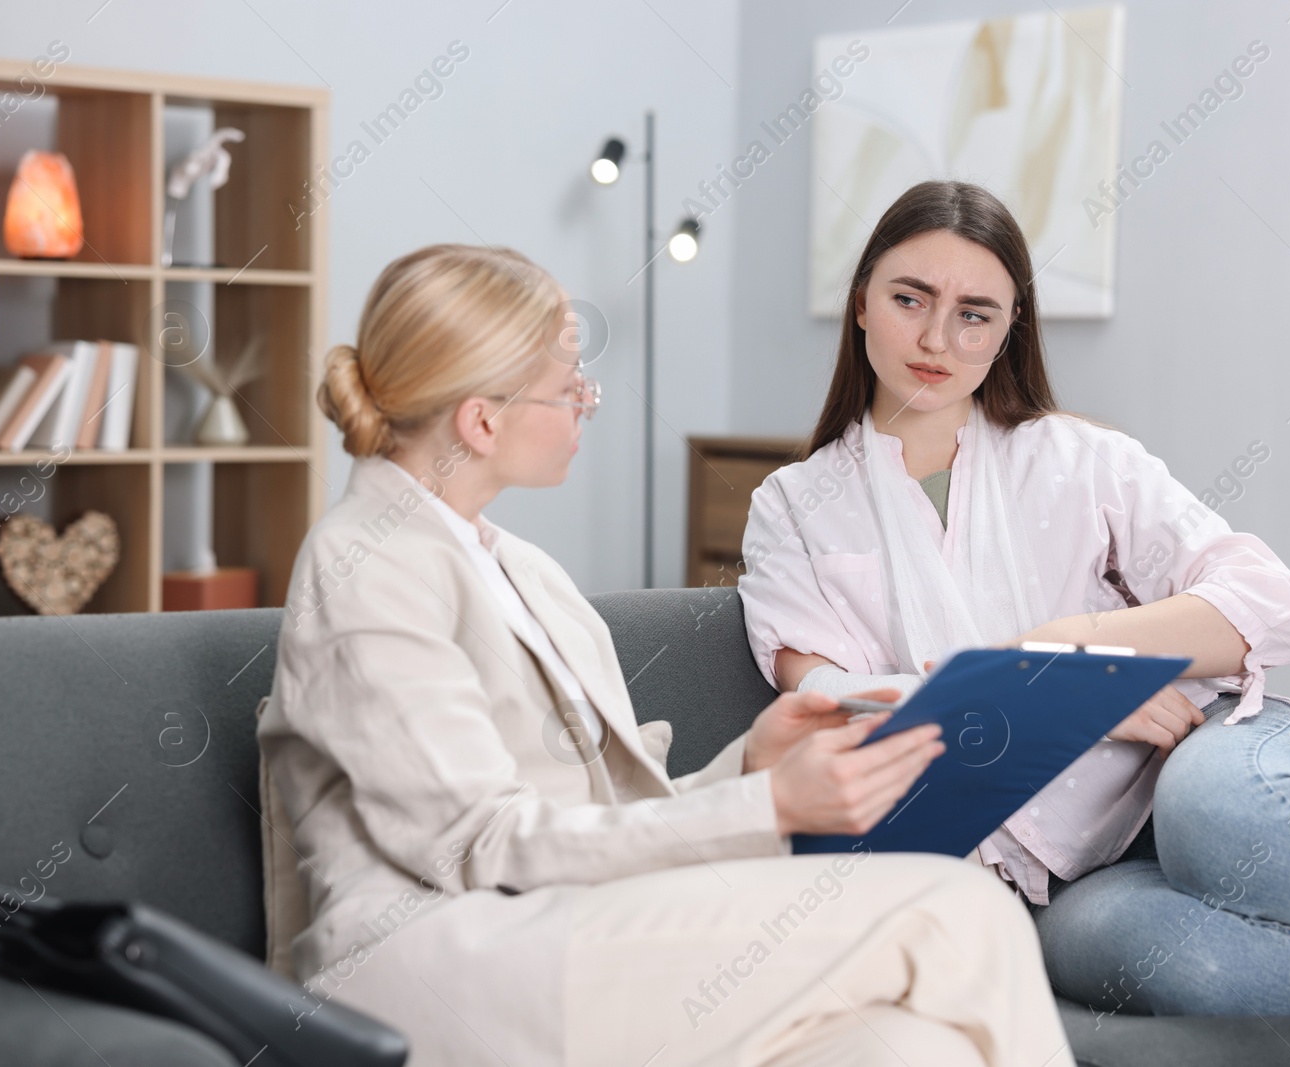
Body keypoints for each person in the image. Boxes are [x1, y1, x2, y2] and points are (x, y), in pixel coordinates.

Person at [736, 180, 1290, 1016]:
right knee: (1134, 956)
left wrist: (1083, 648)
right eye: (909, 298)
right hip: (1055, 874)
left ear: (1006, 333)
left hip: (1205, 749)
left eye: (975, 313)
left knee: (1213, 818)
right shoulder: (792, 506)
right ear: (860, 303)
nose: (935, 337)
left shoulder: (1075, 457)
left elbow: (1270, 601)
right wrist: (1058, 697)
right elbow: (829, 707)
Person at [254, 242, 1076, 1067]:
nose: (587, 402)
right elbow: (484, 843)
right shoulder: (366, 567)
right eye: (569, 384)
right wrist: (775, 808)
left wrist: (751, 764)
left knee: (912, 1049)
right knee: (958, 909)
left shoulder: (524, 571)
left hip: (563, 922)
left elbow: (590, 819)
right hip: (441, 960)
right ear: (481, 418)